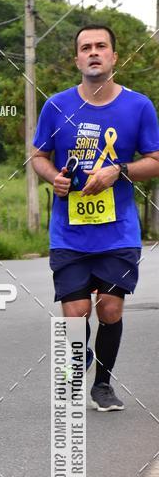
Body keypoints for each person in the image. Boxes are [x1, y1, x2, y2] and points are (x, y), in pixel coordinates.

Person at [32, 24, 159, 411]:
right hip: (69, 231)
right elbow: (38, 156)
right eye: (85, 47)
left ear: (114, 56)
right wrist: (53, 177)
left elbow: (155, 160)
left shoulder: (139, 106)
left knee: (109, 308)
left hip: (117, 231)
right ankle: (79, 358)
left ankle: (102, 385)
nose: (93, 52)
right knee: (75, 311)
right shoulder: (56, 106)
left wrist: (117, 171)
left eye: (101, 46)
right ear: (76, 59)